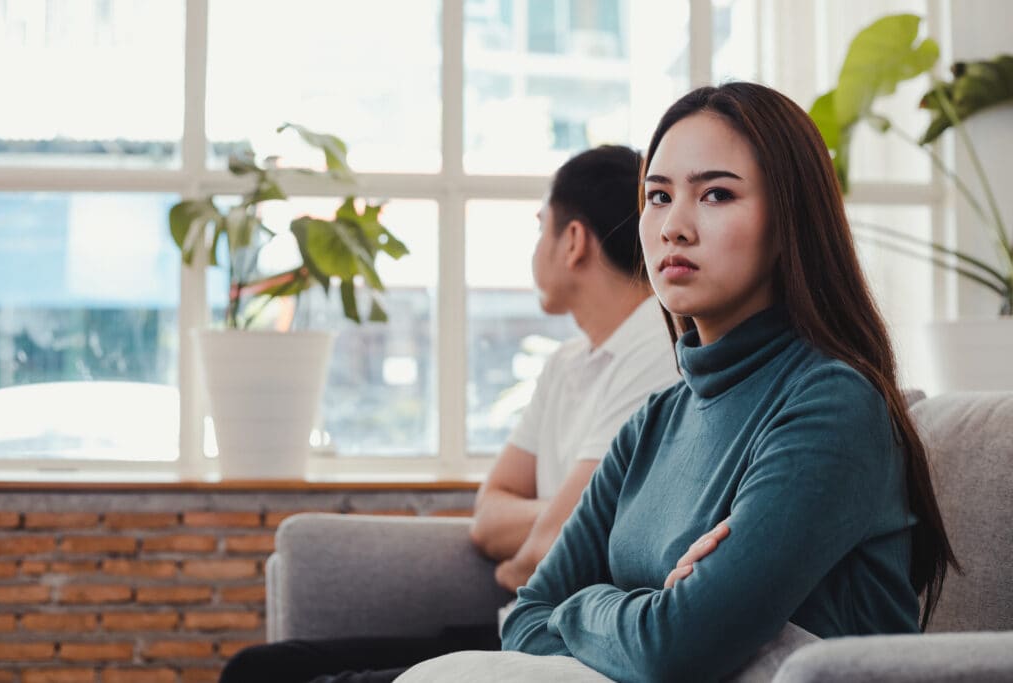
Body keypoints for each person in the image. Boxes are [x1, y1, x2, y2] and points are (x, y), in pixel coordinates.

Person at [397, 82, 960, 683]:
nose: (674, 227)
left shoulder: (833, 405)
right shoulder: (655, 420)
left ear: (789, 219)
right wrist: (646, 610)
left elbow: (676, 650)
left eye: (716, 194)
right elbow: (527, 619)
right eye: (658, 196)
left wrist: (591, 605)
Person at [219, 144, 680, 683]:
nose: (535, 250)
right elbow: (489, 521)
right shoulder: (566, 362)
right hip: (514, 623)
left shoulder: (655, 347)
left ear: (573, 241)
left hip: (554, 643)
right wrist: (570, 517)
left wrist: (555, 531)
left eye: (540, 229)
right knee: (261, 667)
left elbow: (540, 556)